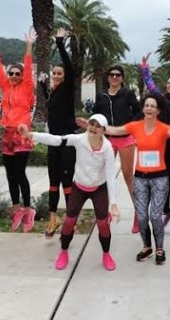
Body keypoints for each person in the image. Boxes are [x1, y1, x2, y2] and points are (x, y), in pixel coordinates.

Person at [98, 93, 170, 265]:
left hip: (159, 178)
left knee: (155, 216)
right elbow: (115, 130)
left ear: (158, 111)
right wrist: (94, 126)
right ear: (143, 108)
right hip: (140, 178)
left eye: (153, 106)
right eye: (147, 105)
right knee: (142, 216)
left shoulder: (163, 128)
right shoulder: (135, 126)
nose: (149, 108)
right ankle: (147, 246)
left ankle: (160, 248)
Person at [19, 114, 120, 271]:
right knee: (69, 221)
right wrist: (30, 134)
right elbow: (56, 139)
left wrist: (113, 203)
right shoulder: (79, 139)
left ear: (103, 130)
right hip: (79, 187)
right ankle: (63, 252)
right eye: (91, 124)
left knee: (102, 224)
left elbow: (110, 176)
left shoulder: (107, 148)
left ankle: (106, 254)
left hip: (98, 189)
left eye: (97, 126)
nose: (93, 128)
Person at [0, 30, 36, 233]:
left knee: (20, 173)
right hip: (7, 134)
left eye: (18, 73)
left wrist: (29, 46)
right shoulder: (6, 87)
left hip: (22, 134)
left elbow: (28, 66)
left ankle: (28, 209)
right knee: (10, 174)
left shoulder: (27, 87)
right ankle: (16, 209)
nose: (14, 76)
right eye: (12, 73)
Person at [94, 64, 141, 233]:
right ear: (108, 77)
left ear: (122, 78)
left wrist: (129, 127)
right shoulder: (101, 96)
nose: (115, 77)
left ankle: (139, 213)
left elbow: (139, 112)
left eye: (118, 75)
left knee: (128, 176)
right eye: (112, 74)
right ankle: (104, 213)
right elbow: (96, 115)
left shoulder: (128, 93)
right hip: (107, 140)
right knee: (104, 176)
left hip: (125, 139)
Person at [39, 28, 77, 238]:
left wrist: (61, 43)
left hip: (67, 141)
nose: (56, 76)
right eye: (54, 73)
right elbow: (52, 105)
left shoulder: (68, 87)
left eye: (59, 74)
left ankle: (71, 219)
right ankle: (53, 218)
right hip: (53, 141)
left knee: (67, 182)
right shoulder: (54, 91)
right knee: (53, 182)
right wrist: (42, 85)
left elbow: (69, 68)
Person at [140, 53, 170, 230]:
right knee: (164, 179)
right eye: (169, 83)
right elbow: (150, 85)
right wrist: (145, 68)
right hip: (164, 144)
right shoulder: (162, 99)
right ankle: (166, 211)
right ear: (166, 86)